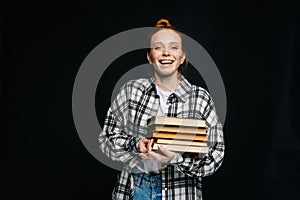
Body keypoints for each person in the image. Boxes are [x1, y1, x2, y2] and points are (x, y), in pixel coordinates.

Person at [98, 18, 225, 200]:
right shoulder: (131, 90)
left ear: (182, 57)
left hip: (180, 191)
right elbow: (105, 141)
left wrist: (175, 159)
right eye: (158, 47)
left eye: (174, 47)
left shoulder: (200, 98)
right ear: (150, 57)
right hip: (135, 189)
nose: (166, 52)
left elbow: (216, 156)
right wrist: (136, 145)